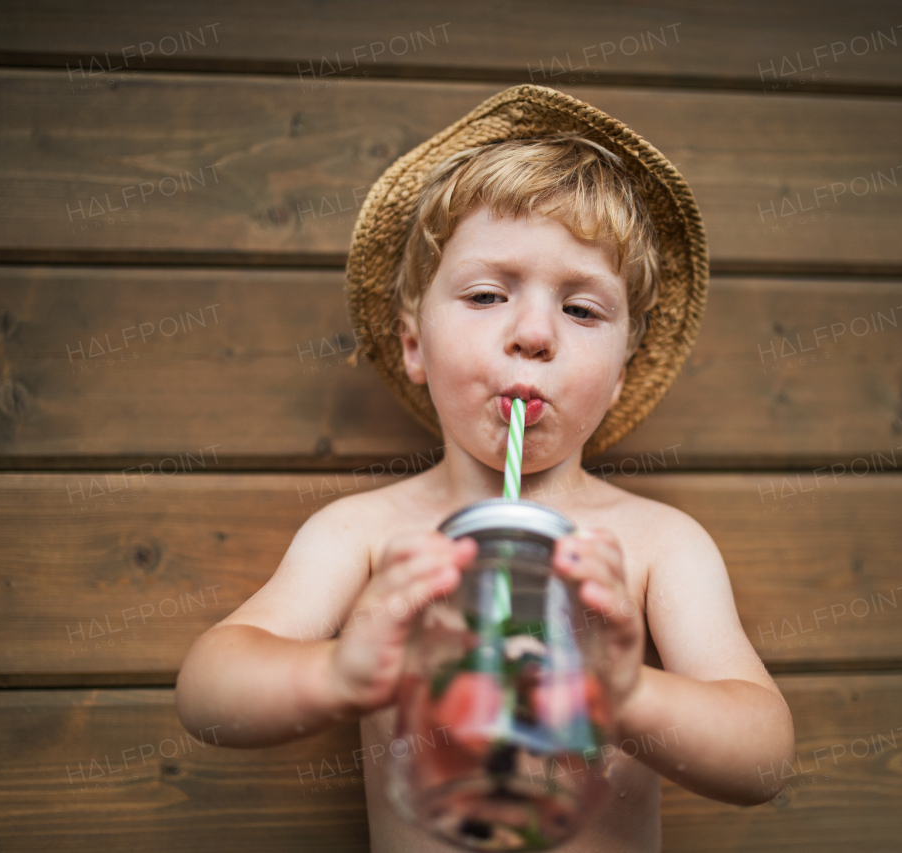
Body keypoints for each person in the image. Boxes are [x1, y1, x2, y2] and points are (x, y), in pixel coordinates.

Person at [176, 84, 794, 852]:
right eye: (487, 293)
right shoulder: (368, 539)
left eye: (582, 309)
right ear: (414, 345)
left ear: (622, 373)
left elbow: (764, 755)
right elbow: (208, 693)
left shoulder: (654, 545)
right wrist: (340, 672)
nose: (533, 332)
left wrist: (624, 691)